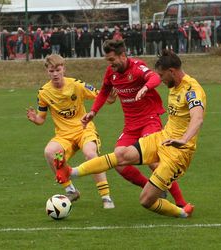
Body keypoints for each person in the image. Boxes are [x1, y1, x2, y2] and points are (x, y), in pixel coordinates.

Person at [56, 50, 206, 218]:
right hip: (162, 139)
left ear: (172, 71)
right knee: (121, 155)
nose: (161, 79)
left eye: (162, 75)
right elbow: (106, 91)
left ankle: (182, 211)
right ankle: (71, 172)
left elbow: (197, 118)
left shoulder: (192, 89)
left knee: (146, 201)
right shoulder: (174, 85)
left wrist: (184, 140)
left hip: (178, 152)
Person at [80, 39, 190, 208]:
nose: (110, 64)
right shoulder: (111, 73)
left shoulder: (137, 68)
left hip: (149, 120)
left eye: (112, 60)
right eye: (107, 61)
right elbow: (104, 92)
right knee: (118, 161)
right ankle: (151, 187)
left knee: (154, 161)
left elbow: (154, 77)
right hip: (130, 125)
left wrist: (145, 88)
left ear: (123, 56)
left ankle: (181, 202)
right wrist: (93, 112)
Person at [26, 54, 115, 208]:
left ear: (63, 69)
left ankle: (106, 197)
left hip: (84, 130)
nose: (54, 74)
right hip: (64, 136)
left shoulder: (76, 85)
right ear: (47, 71)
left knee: (90, 154)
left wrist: (111, 98)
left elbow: (102, 96)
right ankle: (71, 190)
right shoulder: (43, 93)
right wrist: (35, 119)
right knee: (50, 152)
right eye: (51, 71)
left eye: (57, 70)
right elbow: (41, 119)